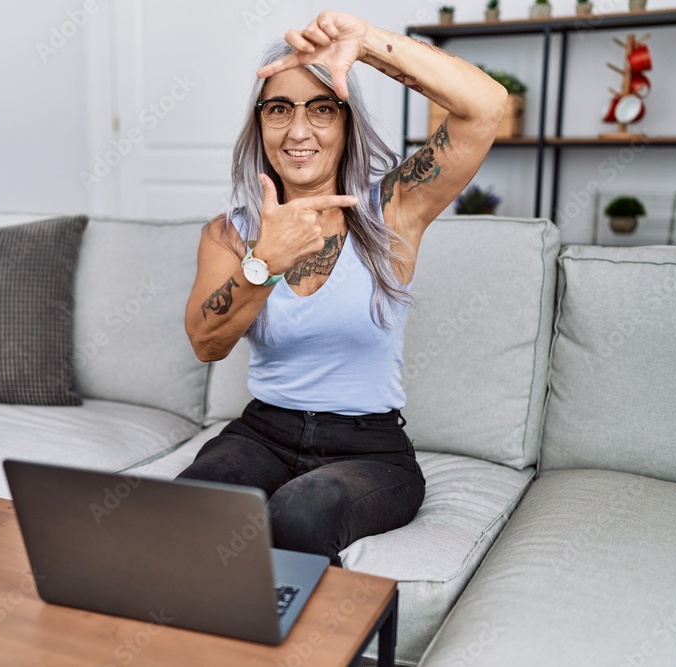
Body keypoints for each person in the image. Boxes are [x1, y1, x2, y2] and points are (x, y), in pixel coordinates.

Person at [177, 11, 506, 566]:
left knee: (301, 512)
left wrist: (366, 44)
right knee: (192, 505)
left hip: (369, 448)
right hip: (263, 432)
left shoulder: (394, 208)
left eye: (322, 108)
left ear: (347, 123)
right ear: (259, 124)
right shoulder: (230, 235)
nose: (299, 131)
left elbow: (486, 107)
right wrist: (265, 263)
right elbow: (206, 344)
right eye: (279, 109)